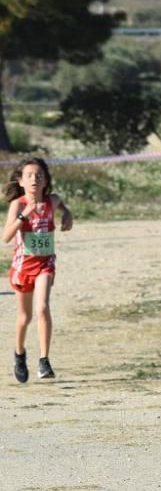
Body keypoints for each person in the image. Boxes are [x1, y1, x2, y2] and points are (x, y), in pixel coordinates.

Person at [3, 157, 73, 383]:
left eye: (39, 175)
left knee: (42, 307)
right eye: (29, 175)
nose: (35, 179)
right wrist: (25, 214)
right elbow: (6, 237)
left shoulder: (52, 201)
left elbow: (61, 204)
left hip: (45, 264)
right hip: (23, 266)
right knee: (25, 316)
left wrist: (67, 213)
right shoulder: (19, 205)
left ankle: (44, 360)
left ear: (46, 181)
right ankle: (20, 354)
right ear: (21, 181)